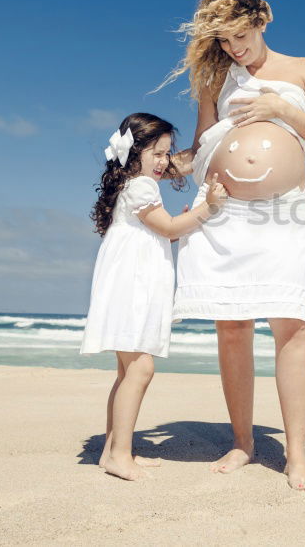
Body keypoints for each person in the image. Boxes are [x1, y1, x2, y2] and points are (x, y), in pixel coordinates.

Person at [162, 0, 305, 491]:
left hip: (285, 212)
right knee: (232, 326)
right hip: (225, 214)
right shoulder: (217, 79)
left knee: (292, 323)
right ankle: (242, 442)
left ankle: (297, 455)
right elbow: (201, 146)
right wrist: (153, 168)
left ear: (262, 20)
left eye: (240, 35)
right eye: (224, 41)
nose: (234, 48)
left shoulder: (304, 70)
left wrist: (281, 109)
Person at [80, 112, 227, 481]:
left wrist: (178, 225)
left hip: (128, 282)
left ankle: (115, 450)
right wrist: (208, 207)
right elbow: (169, 227)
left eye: (167, 154)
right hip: (134, 286)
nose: (164, 161)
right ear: (135, 153)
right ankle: (119, 455)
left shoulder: (132, 186)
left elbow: (164, 232)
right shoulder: (142, 187)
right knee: (141, 367)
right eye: (157, 153)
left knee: (127, 370)